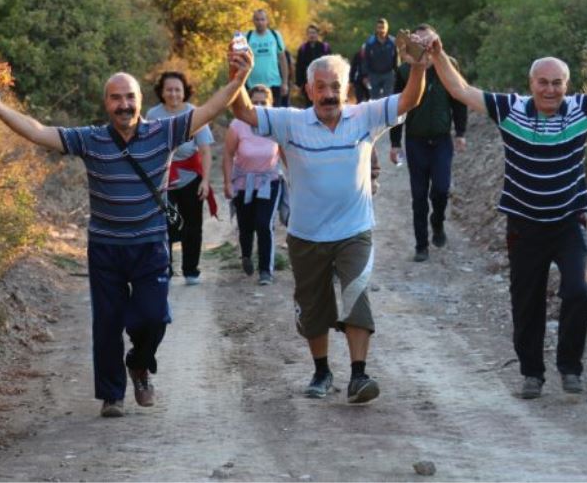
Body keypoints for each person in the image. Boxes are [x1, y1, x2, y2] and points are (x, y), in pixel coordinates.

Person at [0, 45, 252, 417]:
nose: (124, 104)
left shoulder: (164, 132)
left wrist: (240, 78)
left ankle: (138, 362)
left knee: (153, 316)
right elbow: (39, 133)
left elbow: (212, 109)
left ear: (139, 100)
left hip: (151, 245)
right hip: (105, 248)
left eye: (130, 97)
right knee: (107, 323)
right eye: (116, 98)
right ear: (106, 103)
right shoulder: (90, 139)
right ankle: (112, 395)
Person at [428, 32, 587, 399]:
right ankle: (532, 375)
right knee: (526, 302)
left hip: (568, 223)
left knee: (580, 292)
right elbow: (461, 90)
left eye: (557, 83)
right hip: (524, 226)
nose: (550, 89)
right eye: (543, 82)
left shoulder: (583, 109)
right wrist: (437, 53)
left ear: (567, 85)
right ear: (531, 84)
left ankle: (570, 368)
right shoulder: (509, 108)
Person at [231, 49, 427, 404]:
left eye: (334, 86)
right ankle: (321, 371)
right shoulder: (290, 121)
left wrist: (417, 66)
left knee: (356, 296)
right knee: (313, 306)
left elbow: (410, 100)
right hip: (306, 235)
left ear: (346, 88)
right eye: (320, 87)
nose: (328, 94)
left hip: (354, 231)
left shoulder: (364, 116)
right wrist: (239, 78)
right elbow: (243, 111)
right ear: (308, 91)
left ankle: (359, 375)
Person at [389, 24, 468, 262]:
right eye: (419, 42)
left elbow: (459, 99)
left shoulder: (449, 65)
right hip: (416, 142)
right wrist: (395, 143)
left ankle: (438, 222)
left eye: (428, 42)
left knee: (441, 189)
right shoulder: (404, 71)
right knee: (419, 195)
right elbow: (397, 108)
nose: (424, 47)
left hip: (442, 140)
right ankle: (421, 245)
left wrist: (460, 132)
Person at [146, 71, 216, 285]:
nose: (174, 93)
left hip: (190, 176)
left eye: (178, 89)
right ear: (162, 91)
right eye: (169, 89)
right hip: (162, 178)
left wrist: (205, 181)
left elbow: (204, 151)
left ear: (184, 91)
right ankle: (164, 268)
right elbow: (147, 147)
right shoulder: (153, 114)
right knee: (166, 223)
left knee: (193, 225)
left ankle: (191, 270)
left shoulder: (195, 113)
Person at [221, 84, 282, 285]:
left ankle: (266, 270)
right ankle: (246, 255)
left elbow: (286, 153)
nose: (257, 106)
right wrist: (227, 183)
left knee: (264, 224)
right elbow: (228, 155)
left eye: (263, 102)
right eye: (254, 102)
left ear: (270, 103)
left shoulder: (277, 123)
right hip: (243, 183)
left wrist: (295, 178)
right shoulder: (238, 125)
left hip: (269, 182)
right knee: (246, 225)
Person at [246, 8, 289, 106]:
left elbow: (282, 59)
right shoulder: (247, 37)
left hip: (273, 83)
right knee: (253, 117)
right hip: (252, 85)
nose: (260, 22)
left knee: (274, 116)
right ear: (253, 21)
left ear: (267, 21)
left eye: (262, 19)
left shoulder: (275, 35)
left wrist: (285, 82)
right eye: (257, 19)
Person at [295, 24, 332, 106]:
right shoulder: (303, 49)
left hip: (323, 81)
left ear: (317, 34)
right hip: (308, 82)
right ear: (307, 35)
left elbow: (330, 65)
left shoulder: (324, 47)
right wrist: (298, 84)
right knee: (309, 104)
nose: (312, 35)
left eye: (314, 33)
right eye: (310, 33)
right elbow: (299, 67)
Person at [362, 18, 397, 100]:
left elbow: (397, 58)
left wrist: (397, 73)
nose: (381, 30)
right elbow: (365, 59)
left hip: (389, 74)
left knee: (388, 98)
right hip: (374, 74)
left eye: (383, 27)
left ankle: (386, 113)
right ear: (376, 28)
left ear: (387, 28)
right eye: (379, 27)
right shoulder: (370, 42)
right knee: (375, 99)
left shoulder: (393, 41)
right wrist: (364, 75)